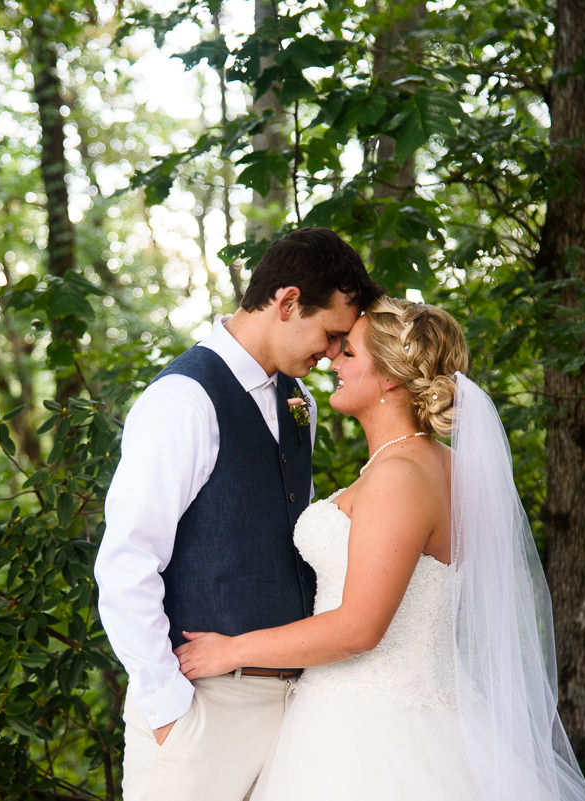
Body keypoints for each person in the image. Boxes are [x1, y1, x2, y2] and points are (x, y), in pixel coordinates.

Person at [175, 297, 585, 801]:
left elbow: (358, 629)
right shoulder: (438, 465)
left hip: (370, 730)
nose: (333, 359)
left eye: (349, 353)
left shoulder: (399, 476)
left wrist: (232, 650)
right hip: (403, 709)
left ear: (391, 379)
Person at [94, 227, 383, 800]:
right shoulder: (183, 399)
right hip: (202, 706)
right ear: (287, 302)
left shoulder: (298, 404)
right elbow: (126, 561)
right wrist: (167, 707)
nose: (332, 354)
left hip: (298, 709)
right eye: (330, 334)